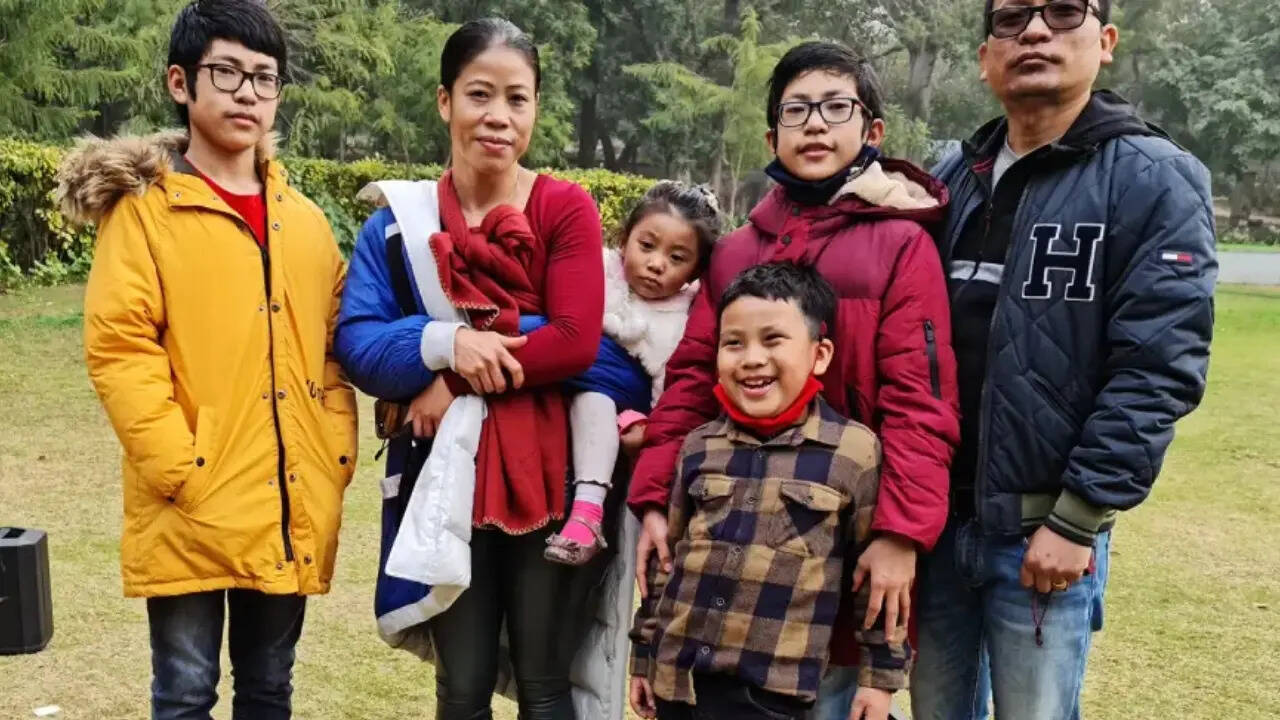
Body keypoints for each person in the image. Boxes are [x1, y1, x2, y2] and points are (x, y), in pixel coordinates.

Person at [625, 41, 959, 718]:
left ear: (872, 129)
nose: (815, 125)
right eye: (796, 110)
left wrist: (899, 532)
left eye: (836, 107)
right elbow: (691, 379)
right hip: (735, 546)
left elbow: (919, 401)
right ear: (771, 134)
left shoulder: (902, 244)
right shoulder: (737, 251)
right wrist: (656, 496)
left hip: (842, 527)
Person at [914, 1, 1217, 718]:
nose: (1034, 31)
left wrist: (1078, 517)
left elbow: (1159, 365)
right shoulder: (948, 178)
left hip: (1043, 535)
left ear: (1105, 41)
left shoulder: (1153, 178)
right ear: (985, 58)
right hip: (933, 525)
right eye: (1011, 18)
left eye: (1061, 11)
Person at [59, 1, 358, 718]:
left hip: (288, 491)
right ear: (181, 82)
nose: (248, 93)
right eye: (226, 73)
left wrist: (334, 447)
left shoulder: (306, 222)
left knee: (269, 688)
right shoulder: (144, 213)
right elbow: (120, 348)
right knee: (186, 693)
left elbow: (332, 349)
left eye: (265, 77)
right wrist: (179, 466)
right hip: (188, 498)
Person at [333, 18, 611, 720]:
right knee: (462, 685)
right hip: (441, 476)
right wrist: (440, 341)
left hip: (547, 471)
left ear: (536, 109)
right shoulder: (398, 226)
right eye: (479, 94)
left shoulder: (565, 209)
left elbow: (577, 341)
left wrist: (453, 375)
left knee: (545, 683)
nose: (498, 116)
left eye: (518, 99)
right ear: (444, 101)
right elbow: (358, 344)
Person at [627, 262, 909, 720]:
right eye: (733, 343)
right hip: (678, 683)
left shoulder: (854, 452)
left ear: (820, 355)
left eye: (773, 339)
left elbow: (875, 585)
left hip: (773, 695)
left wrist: (878, 681)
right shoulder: (698, 446)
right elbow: (666, 566)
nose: (751, 358)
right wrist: (643, 657)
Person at [544, 181, 721, 565]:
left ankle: (587, 513)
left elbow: (669, 392)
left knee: (594, 399)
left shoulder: (678, 322)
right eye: (647, 246)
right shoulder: (595, 273)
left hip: (619, 425)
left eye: (677, 258)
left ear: (694, 273)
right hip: (549, 413)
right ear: (624, 240)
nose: (657, 264)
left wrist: (648, 430)